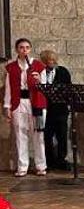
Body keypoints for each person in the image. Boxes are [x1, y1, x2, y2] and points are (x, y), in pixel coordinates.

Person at [3, 38, 47, 177]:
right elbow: (9, 89)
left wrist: (39, 80)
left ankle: (41, 165)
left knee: (38, 135)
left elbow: (46, 87)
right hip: (19, 102)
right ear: (17, 50)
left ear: (30, 49)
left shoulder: (39, 66)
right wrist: (7, 106)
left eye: (27, 47)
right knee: (20, 135)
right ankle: (23, 166)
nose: (24, 50)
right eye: (21, 47)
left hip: (37, 103)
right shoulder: (12, 67)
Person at [39, 49, 71, 170]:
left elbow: (67, 88)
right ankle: (49, 161)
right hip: (46, 110)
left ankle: (62, 160)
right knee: (46, 137)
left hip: (60, 110)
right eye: (47, 61)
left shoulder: (63, 72)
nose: (50, 63)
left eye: (52, 60)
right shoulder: (41, 73)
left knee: (62, 136)